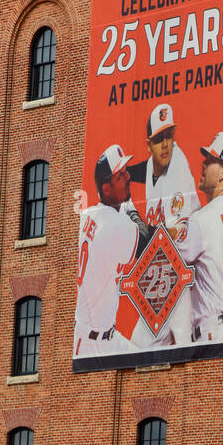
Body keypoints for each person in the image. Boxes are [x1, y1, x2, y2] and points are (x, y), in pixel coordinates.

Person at [127, 103, 200, 349]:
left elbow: (177, 231)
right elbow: (139, 171)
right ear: (149, 144)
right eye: (159, 139)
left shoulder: (178, 165)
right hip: (164, 279)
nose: (166, 144)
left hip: (185, 276)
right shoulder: (151, 165)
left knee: (185, 350)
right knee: (136, 348)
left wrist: (144, 234)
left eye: (169, 136)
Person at [170, 131, 223, 346]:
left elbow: (172, 256)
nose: (203, 164)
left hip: (212, 330)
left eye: (210, 160)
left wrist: (176, 227)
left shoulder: (202, 219)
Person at [73, 144, 139, 362]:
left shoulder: (87, 214)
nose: (128, 176)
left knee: (142, 359)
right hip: (92, 344)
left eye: (126, 171)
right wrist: (131, 209)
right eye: (121, 175)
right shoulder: (114, 223)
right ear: (107, 189)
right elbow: (146, 239)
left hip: (103, 336)